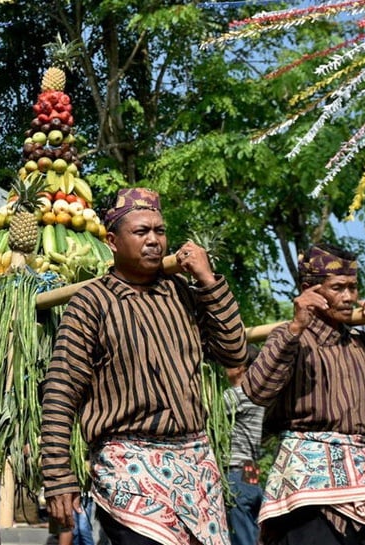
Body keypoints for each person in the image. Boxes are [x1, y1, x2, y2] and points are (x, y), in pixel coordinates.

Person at [40, 187, 248, 545]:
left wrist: (209, 281)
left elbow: (234, 353)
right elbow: (61, 391)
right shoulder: (91, 303)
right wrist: (59, 475)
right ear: (112, 242)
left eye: (160, 231)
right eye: (141, 232)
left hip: (195, 464)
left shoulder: (182, 292)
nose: (154, 240)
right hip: (127, 465)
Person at [244, 243, 365, 545]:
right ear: (310, 290)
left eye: (353, 288)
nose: (348, 298)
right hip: (306, 482)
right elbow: (256, 390)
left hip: (361, 476)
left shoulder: (362, 345)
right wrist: (295, 327)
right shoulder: (289, 336)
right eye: (338, 288)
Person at [222, 345, 264, 545]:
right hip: (251, 470)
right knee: (252, 531)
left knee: (241, 536)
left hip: (235, 473)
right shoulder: (259, 397)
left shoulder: (236, 395)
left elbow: (202, 413)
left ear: (240, 367)